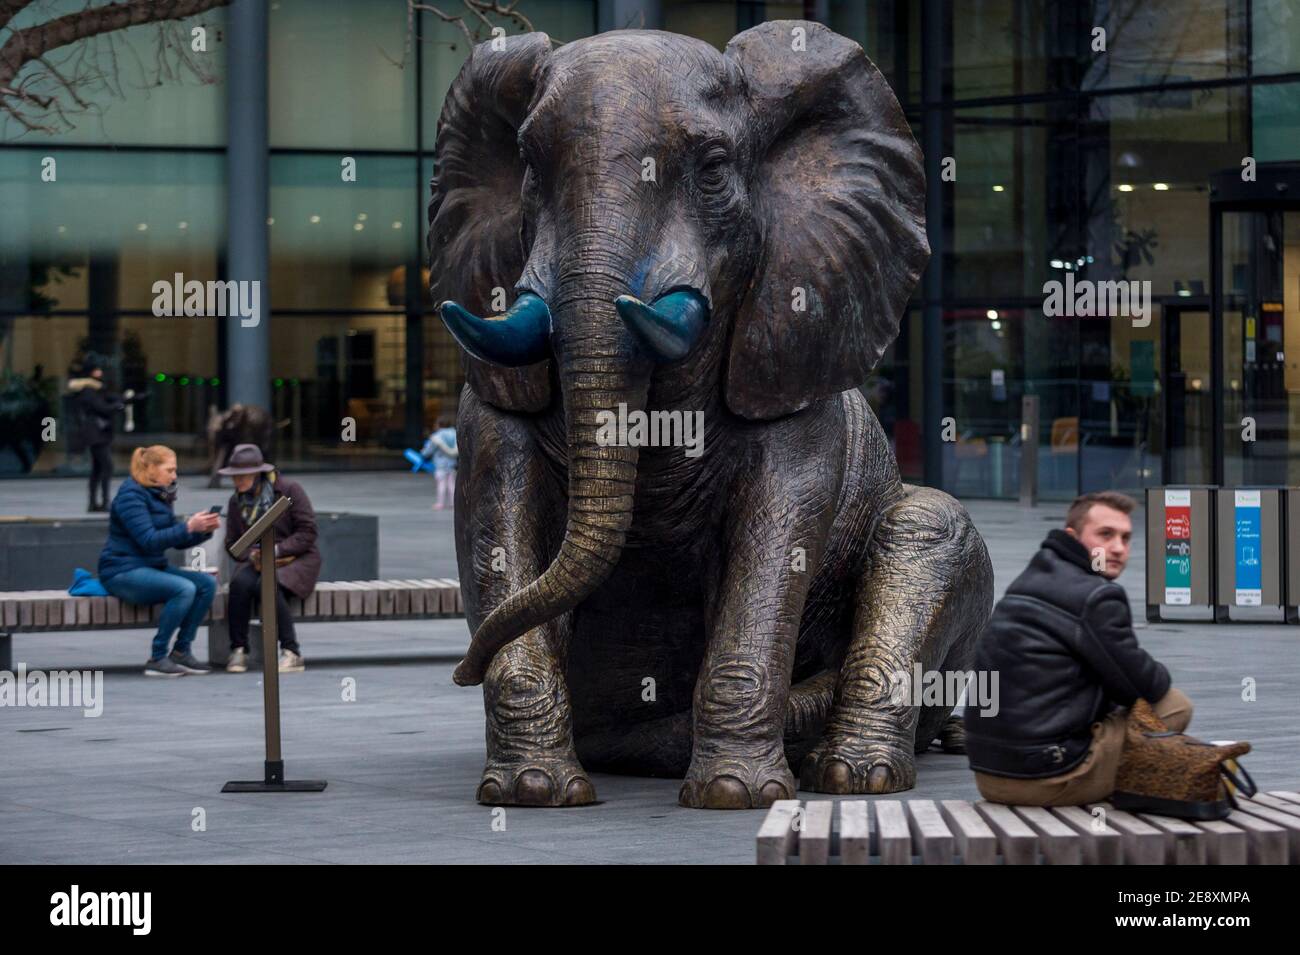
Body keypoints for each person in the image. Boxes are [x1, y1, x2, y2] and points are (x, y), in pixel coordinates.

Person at [964, 490, 1194, 807]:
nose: (1117, 548)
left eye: (1126, 538)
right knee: (1174, 705)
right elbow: (1147, 686)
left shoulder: (1029, 581)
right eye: (1105, 535)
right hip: (1047, 779)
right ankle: (1132, 789)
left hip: (989, 776)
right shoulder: (1096, 597)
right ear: (1073, 536)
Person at [98, 445, 221, 677]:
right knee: (183, 588)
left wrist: (203, 530)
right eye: (170, 470)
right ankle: (157, 656)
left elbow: (174, 539)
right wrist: (188, 526)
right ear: (152, 469)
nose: (174, 476)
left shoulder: (159, 494)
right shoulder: (129, 497)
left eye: (175, 470)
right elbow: (150, 541)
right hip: (121, 570)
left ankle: (181, 651)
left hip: (151, 567)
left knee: (207, 584)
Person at [219, 444, 320, 674]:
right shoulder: (236, 502)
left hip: (296, 558)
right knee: (240, 584)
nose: (237, 482)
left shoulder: (289, 491)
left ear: (258, 473)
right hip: (257, 561)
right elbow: (232, 543)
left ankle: (291, 652)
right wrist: (250, 554)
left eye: (242, 476)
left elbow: (308, 532)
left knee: (267, 584)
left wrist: (275, 551)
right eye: (234, 477)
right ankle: (239, 649)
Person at [67, 357, 134, 512]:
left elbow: (111, 398)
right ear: (90, 372)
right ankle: (103, 502)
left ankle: (94, 503)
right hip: (95, 434)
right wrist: (117, 406)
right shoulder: (88, 390)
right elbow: (101, 407)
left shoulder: (98, 389)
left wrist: (127, 399)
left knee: (98, 468)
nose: (100, 372)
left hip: (99, 433)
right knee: (107, 466)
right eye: (97, 370)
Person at [421, 414, 458, 510]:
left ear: (438, 424)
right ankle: (453, 503)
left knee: (441, 484)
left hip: (440, 464)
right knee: (451, 484)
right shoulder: (455, 433)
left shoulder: (436, 436)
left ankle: (440, 503)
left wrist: (423, 453)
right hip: (452, 463)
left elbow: (428, 450)